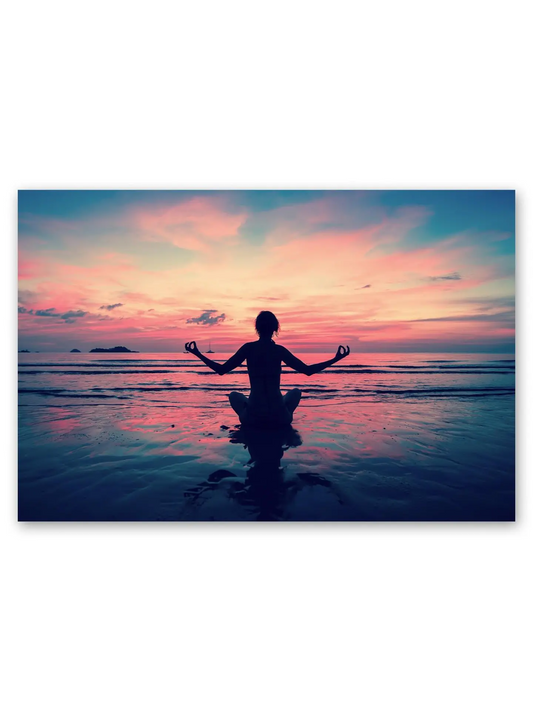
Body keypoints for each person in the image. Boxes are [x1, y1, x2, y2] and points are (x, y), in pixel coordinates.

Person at [185, 310, 350, 427]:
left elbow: (221, 370)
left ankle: (253, 410)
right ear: (275, 328)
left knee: (234, 395)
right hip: (280, 417)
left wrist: (198, 353)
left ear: (257, 328)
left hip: (253, 418)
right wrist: (336, 359)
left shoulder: (248, 348)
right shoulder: (279, 351)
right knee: (296, 392)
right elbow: (308, 370)